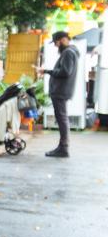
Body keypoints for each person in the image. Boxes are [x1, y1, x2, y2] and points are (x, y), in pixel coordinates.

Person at [42, 30, 80, 158]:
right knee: (62, 118)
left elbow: (65, 72)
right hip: (61, 91)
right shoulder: (70, 52)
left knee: (62, 118)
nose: (55, 45)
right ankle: (62, 147)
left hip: (60, 91)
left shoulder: (68, 53)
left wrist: (48, 71)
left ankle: (63, 148)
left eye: (56, 42)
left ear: (63, 39)